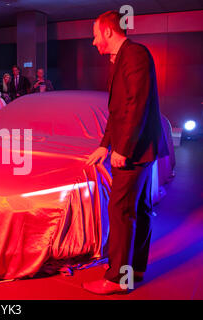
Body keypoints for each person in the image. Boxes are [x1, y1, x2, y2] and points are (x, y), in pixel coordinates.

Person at [83, 10, 168, 295]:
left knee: (120, 211)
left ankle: (117, 279)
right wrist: (104, 145)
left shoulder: (133, 54)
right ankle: (135, 269)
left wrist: (122, 149)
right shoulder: (125, 57)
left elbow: (136, 106)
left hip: (134, 151)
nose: (94, 42)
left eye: (95, 35)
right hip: (141, 149)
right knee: (139, 209)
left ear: (108, 32)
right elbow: (117, 111)